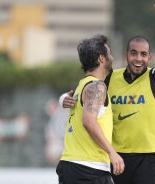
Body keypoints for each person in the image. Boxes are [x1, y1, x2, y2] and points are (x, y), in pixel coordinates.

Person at [61, 1, 155, 183]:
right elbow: (85, 87)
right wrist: (63, 98)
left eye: (143, 54)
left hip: (150, 158)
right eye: (134, 53)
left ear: (149, 58)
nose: (138, 59)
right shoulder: (109, 78)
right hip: (118, 158)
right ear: (126, 56)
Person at [56, 34, 124, 184]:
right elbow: (88, 121)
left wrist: (61, 100)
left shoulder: (81, 86)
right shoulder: (97, 86)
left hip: (71, 165)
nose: (111, 57)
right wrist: (112, 152)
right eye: (110, 53)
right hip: (89, 169)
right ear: (101, 58)